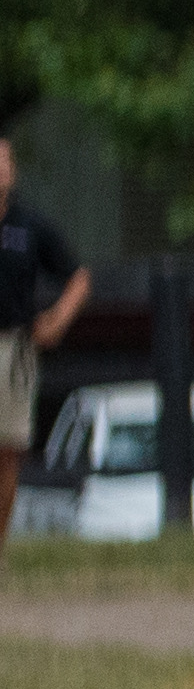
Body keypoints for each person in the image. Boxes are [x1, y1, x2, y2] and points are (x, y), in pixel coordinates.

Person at [0, 134, 91, 529]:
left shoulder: (29, 226)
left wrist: (56, 319)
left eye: (6, 161)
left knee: (8, 451)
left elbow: (78, 277)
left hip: (14, 348)